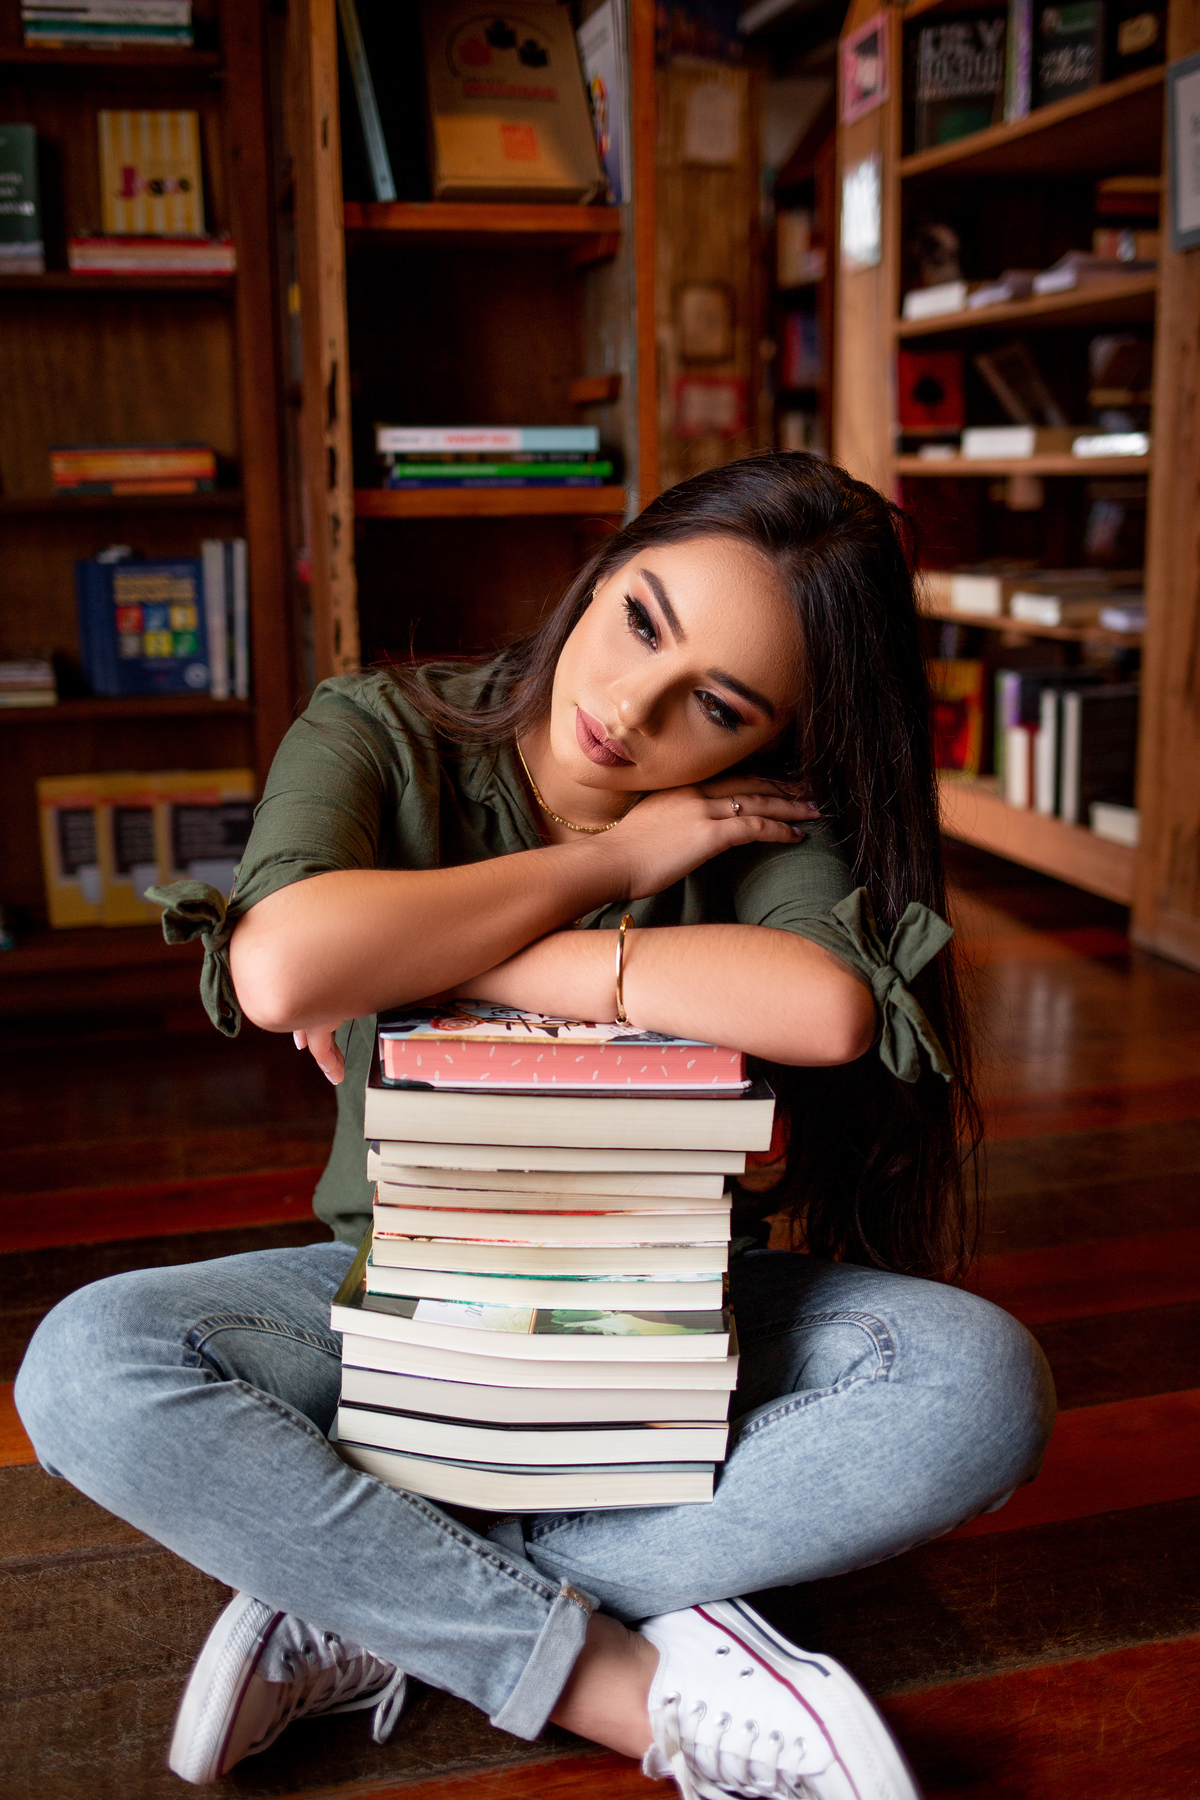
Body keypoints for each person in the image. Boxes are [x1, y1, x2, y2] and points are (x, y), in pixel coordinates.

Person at [16, 454, 1055, 1800]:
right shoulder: (381, 729)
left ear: (768, 738)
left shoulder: (757, 821)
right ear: (604, 569)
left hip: (676, 1333)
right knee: (85, 1368)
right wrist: (610, 866)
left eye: (717, 705)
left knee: (979, 1390)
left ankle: (369, 1590)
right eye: (639, 622)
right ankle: (624, 1679)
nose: (631, 710)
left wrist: (421, 952)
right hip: (393, 1313)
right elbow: (279, 969)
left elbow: (824, 1009)